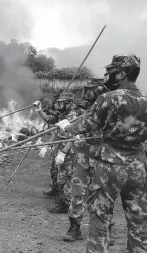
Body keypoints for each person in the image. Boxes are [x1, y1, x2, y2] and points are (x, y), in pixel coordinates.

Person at [55, 54, 147, 252]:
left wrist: (68, 127)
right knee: (139, 220)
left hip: (110, 166)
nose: (109, 75)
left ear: (122, 73)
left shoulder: (109, 98)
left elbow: (89, 122)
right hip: (138, 167)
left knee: (100, 217)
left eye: (112, 71)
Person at [63, 78, 111, 242]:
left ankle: (105, 231)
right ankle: (74, 228)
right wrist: (77, 135)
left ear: (97, 90)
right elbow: (82, 124)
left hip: (103, 154)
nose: (86, 93)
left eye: (89, 89)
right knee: (77, 192)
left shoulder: (109, 105)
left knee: (102, 195)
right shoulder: (87, 107)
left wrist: (72, 128)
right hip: (84, 154)